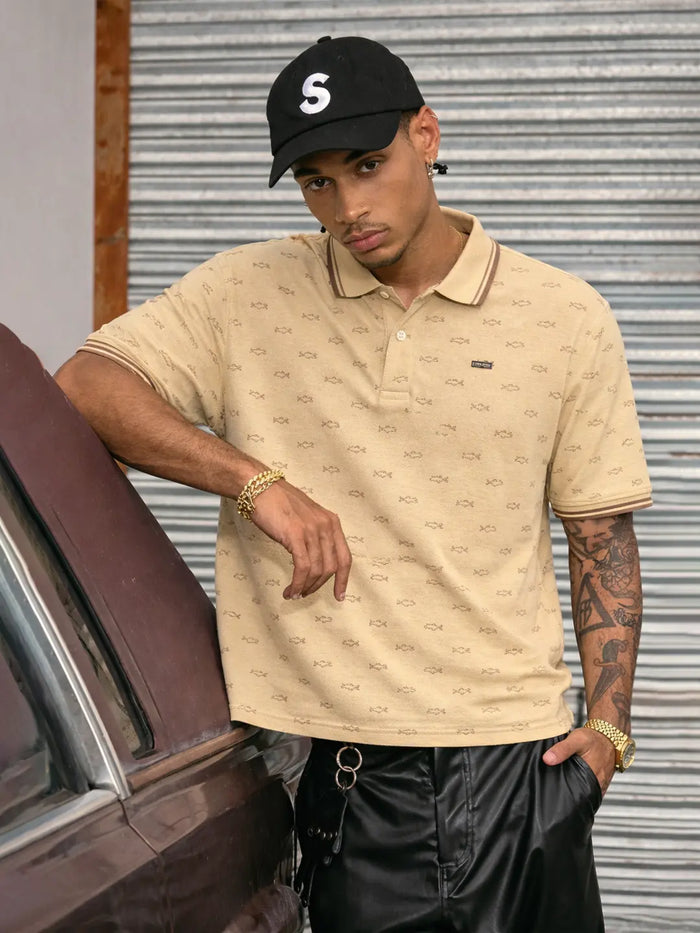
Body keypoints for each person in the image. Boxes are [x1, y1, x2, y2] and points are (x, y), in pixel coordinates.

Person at [56, 36, 651, 933]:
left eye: (368, 165)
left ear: (426, 135)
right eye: (317, 182)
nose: (348, 207)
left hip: (523, 768)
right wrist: (254, 480)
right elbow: (83, 388)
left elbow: (600, 536)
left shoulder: (565, 317)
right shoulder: (248, 293)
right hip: (349, 778)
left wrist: (606, 733)